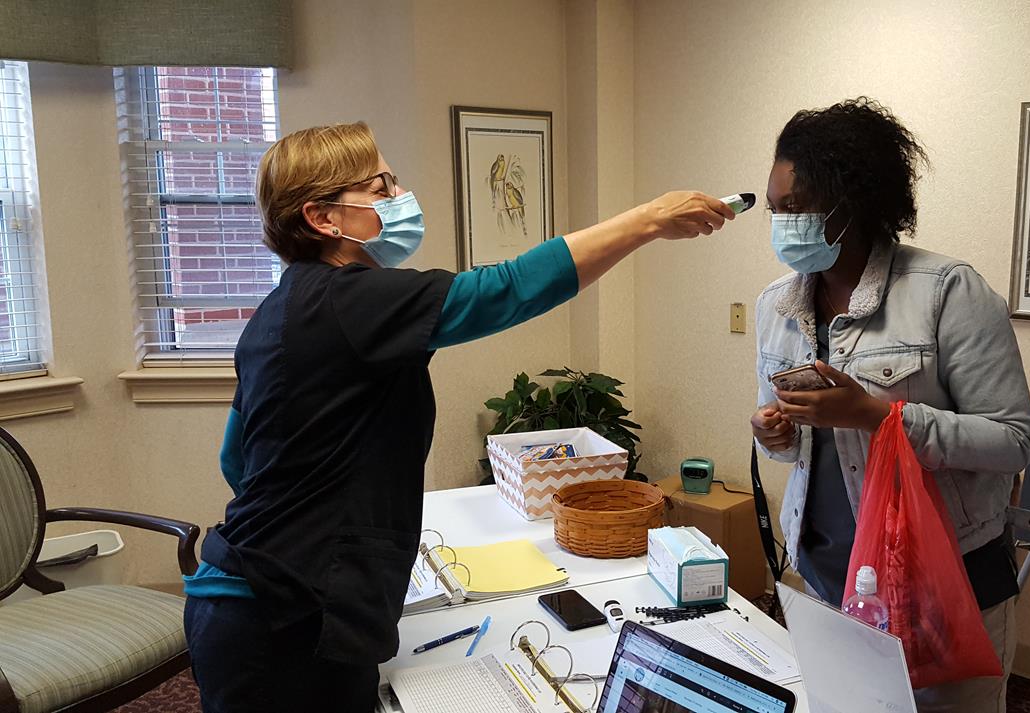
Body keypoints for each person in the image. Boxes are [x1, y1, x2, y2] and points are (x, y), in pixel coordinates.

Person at [182, 121, 735, 713]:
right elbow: (507, 288)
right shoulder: (348, 300)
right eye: (379, 187)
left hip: (242, 592)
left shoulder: (280, 310)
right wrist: (650, 219)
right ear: (323, 218)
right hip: (283, 622)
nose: (398, 197)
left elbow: (236, 460)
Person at [750, 99, 1030, 713]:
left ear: (849, 203)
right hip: (828, 582)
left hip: (944, 591)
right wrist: (773, 433)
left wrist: (875, 416)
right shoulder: (776, 305)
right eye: (774, 210)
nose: (781, 225)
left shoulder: (948, 291)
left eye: (795, 208)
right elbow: (791, 447)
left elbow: (1014, 441)